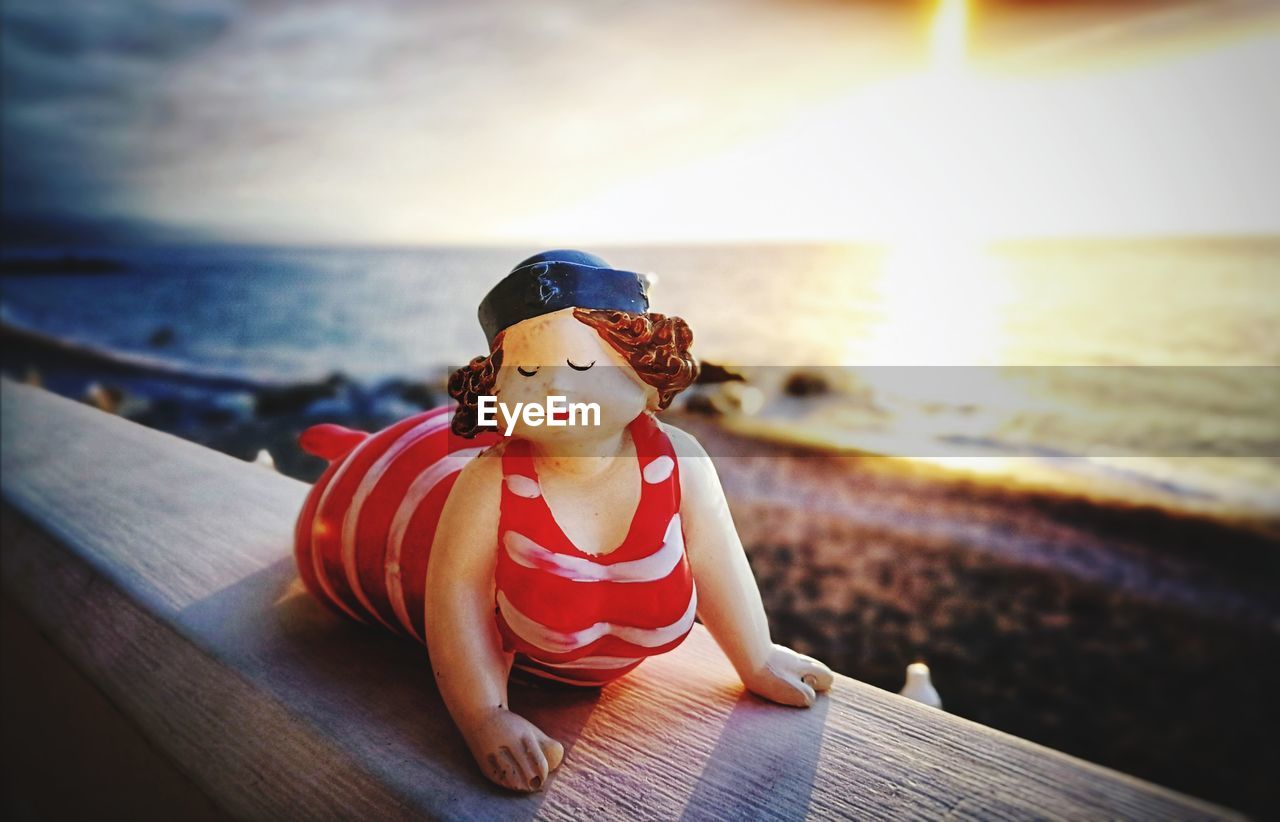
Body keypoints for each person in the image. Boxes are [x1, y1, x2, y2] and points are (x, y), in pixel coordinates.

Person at [295, 250, 834, 793]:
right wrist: (485, 715)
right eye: (526, 372)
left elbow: (719, 558)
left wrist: (757, 658)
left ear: (646, 377)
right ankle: (352, 454)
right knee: (374, 496)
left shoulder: (679, 461)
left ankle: (353, 446)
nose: (554, 390)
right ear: (498, 393)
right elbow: (455, 597)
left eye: (581, 367)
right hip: (369, 523)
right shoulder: (490, 482)